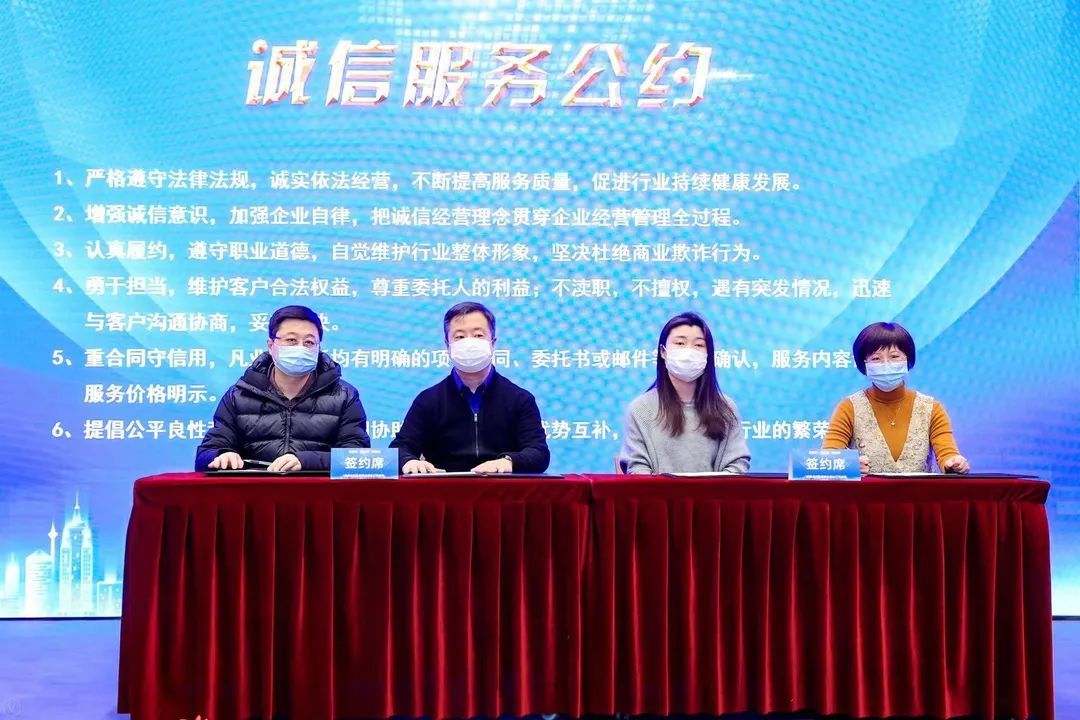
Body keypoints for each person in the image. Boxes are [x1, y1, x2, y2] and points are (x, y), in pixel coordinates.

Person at [195, 305, 369, 472]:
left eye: (309, 342)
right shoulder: (239, 395)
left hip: (318, 491)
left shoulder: (343, 395)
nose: (300, 348)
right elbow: (205, 454)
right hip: (257, 490)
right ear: (271, 346)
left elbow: (357, 456)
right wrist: (222, 455)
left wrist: (306, 461)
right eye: (291, 340)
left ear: (318, 348)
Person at [390, 302, 550, 474]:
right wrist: (408, 461)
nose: (469, 343)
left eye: (478, 335)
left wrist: (508, 461)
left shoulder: (519, 399)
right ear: (447, 345)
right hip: (444, 488)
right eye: (459, 337)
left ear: (492, 343)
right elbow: (399, 449)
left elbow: (539, 453)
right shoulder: (429, 400)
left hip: (503, 488)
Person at [823, 321, 969, 474]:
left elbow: (947, 454)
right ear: (864, 364)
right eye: (876, 359)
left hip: (920, 490)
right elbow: (828, 459)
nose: (886, 364)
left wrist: (954, 463)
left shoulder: (931, 408)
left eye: (894, 356)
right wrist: (849, 465)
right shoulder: (849, 407)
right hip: (866, 490)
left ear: (908, 360)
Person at [621, 312, 750, 474]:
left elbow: (737, 464)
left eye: (698, 345)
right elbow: (637, 468)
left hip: (714, 491)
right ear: (663, 352)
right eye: (680, 343)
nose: (689, 352)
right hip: (657, 492)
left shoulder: (725, 408)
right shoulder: (641, 409)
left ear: (708, 355)